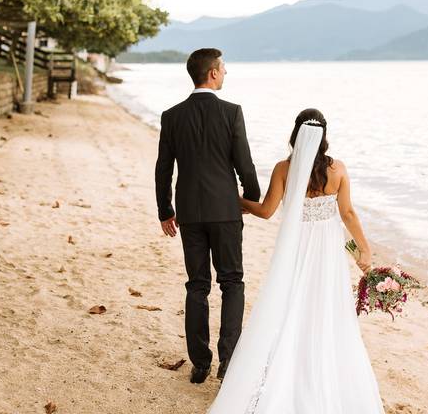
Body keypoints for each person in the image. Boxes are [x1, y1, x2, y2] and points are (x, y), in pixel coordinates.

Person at [208, 108, 384, 413]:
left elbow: (265, 211)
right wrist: (364, 250)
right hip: (327, 252)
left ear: (296, 134)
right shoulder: (338, 169)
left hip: (296, 248)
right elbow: (348, 214)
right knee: (325, 309)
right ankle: (318, 370)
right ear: (325, 136)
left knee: (288, 305)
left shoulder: (283, 169)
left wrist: (235, 199)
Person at [155, 47, 261, 384]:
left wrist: (165, 210)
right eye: (224, 68)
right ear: (212, 73)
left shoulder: (172, 116)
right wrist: (252, 198)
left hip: (189, 213)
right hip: (225, 211)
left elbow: (163, 169)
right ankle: (228, 360)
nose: (226, 73)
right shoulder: (232, 112)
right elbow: (244, 164)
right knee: (232, 282)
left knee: (197, 285)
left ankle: (200, 363)